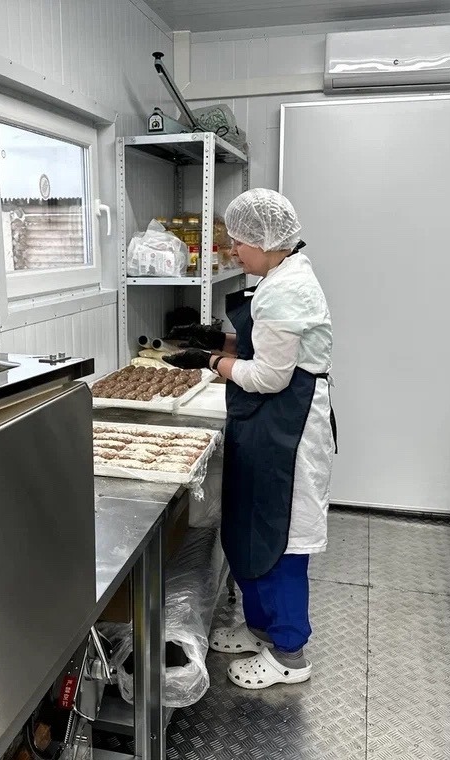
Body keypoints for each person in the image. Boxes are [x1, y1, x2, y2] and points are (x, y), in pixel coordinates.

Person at [164, 188, 336, 691]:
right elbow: (267, 345)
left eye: (239, 242)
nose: (233, 250)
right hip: (269, 425)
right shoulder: (279, 277)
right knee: (256, 527)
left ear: (265, 241)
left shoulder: (286, 290)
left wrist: (211, 362)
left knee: (281, 537)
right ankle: (261, 628)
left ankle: (289, 651)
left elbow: (269, 376)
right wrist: (217, 340)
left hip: (288, 428)